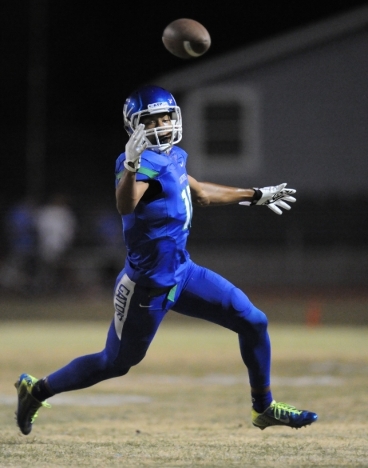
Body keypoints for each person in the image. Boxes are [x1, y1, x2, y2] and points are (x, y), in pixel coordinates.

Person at [14, 85, 318, 435]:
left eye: (165, 117)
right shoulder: (138, 162)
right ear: (134, 126)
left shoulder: (174, 155)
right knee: (115, 363)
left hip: (183, 272)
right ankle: (36, 390)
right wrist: (129, 166)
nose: (160, 125)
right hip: (147, 286)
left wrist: (255, 195)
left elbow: (200, 192)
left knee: (253, 321)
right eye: (151, 120)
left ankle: (263, 408)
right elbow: (125, 203)